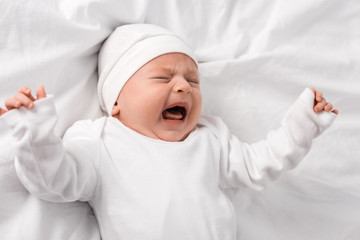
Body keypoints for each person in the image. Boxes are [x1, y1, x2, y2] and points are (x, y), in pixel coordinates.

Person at [0, 24, 338, 240]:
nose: (185, 88)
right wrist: (35, 136)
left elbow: (258, 164)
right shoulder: (101, 140)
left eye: (192, 81)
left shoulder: (209, 138)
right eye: (164, 78)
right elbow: (55, 183)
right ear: (116, 101)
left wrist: (300, 126)